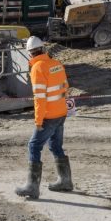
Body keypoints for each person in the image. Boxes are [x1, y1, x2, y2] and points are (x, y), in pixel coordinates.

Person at [15, 35, 72, 199]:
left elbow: (39, 98)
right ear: (43, 49)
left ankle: (32, 187)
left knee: (34, 146)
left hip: (49, 115)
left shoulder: (38, 68)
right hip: (61, 112)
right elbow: (65, 87)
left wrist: (38, 122)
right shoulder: (56, 64)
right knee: (55, 146)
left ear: (30, 53)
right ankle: (65, 181)